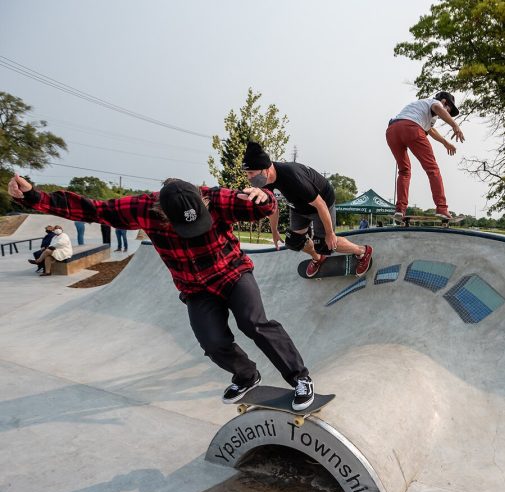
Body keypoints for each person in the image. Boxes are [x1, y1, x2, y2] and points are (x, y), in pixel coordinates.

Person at [8, 174, 316, 409]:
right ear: (160, 210)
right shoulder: (142, 208)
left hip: (231, 273)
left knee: (254, 322)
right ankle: (246, 375)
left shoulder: (218, 199)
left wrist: (265, 198)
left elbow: (263, 205)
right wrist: (34, 197)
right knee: (212, 342)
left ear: (203, 202)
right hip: (195, 287)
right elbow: (92, 209)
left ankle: (299, 377)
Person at [241, 142, 373, 278]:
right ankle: (318, 258)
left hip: (321, 205)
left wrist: (329, 233)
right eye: (247, 174)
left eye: (251, 173)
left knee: (326, 244)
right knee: (294, 242)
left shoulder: (292, 177)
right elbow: (273, 208)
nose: (249, 178)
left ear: (265, 169)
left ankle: (362, 251)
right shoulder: (265, 182)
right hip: (298, 207)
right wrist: (274, 231)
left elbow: (320, 204)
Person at [386, 91, 465, 223]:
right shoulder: (435, 103)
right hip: (411, 128)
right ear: (444, 102)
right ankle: (442, 209)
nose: (443, 116)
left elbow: (430, 130)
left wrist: (445, 142)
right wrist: (455, 125)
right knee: (432, 169)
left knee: (404, 171)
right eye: (448, 110)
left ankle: (400, 209)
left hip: (392, 131)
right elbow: (438, 108)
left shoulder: (422, 109)